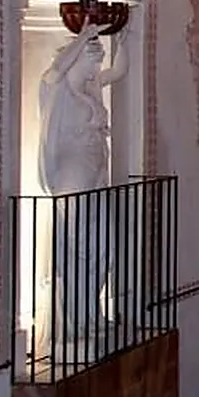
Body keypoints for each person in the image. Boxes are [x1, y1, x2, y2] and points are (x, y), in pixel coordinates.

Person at [38, 21, 129, 341]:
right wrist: (84, 36)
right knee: (76, 251)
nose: (97, 64)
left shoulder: (94, 86)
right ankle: (76, 319)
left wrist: (124, 36)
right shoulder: (56, 89)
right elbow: (56, 69)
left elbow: (120, 71)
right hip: (73, 176)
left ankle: (92, 311)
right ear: (76, 57)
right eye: (93, 57)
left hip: (97, 171)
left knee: (103, 249)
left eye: (99, 57)